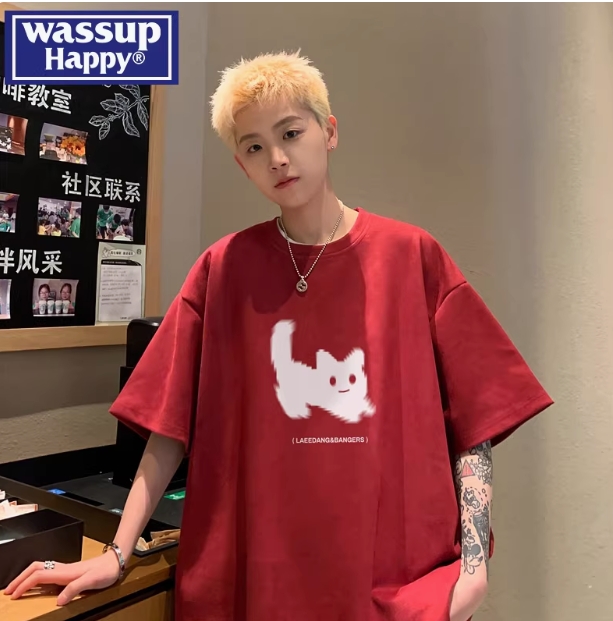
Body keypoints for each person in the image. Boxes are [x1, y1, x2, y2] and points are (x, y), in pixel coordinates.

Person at [5, 51, 553, 621]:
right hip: (260, 570)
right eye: (254, 147)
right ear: (242, 165)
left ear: (329, 131)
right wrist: (118, 553)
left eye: (291, 133)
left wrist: (473, 566)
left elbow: (475, 419)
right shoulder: (222, 269)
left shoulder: (412, 257)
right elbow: (170, 428)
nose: (278, 158)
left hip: (392, 574)